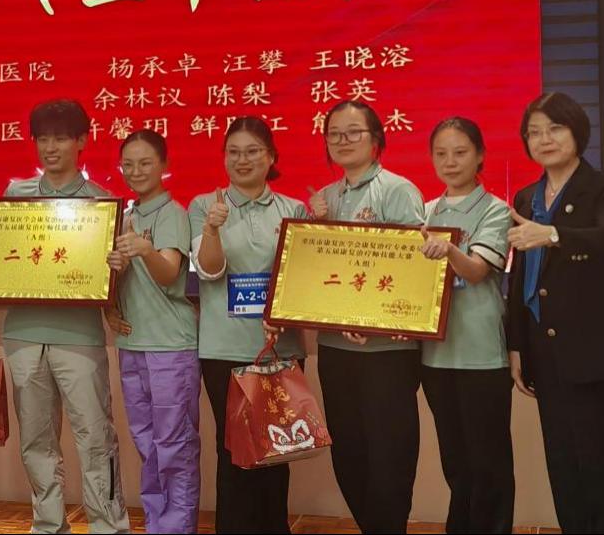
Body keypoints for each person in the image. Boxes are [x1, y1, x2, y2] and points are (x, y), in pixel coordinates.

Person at [0, 99, 130, 534]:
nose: (50, 148)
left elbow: (114, 280)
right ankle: (48, 525)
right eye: (43, 139)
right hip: (23, 335)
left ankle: (108, 526)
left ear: (81, 141)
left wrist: (118, 268)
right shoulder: (15, 198)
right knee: (36, 442)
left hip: (80, 336)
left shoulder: (102, 203)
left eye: (61, 138)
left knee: (96, 438)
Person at [506, 92, 604, 534]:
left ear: (577, 131)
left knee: (595, 462)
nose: (544, 139)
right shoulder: (526, 196)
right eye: (534, 132)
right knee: (561, 462)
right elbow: (520, 279)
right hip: (544, 349)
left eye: (554, 128)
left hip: (592, 350)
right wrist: (517, 346)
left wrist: (553, 234)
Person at [308, 100, 425, 533]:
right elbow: (315, 272)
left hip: (386, 353)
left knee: (390, 454)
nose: (343, 141)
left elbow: (412, 267)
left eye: (353, 132)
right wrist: (316, 226)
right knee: (349, 453)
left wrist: (368, 318)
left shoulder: (398, 190)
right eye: (334, 134)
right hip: (335, 348)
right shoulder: (324, 198)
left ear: (376, 138)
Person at [189, 116, 307, 534]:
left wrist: (280, 316)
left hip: (280, 349)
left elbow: (300, 277)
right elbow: (210, 270)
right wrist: (212, 228)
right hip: (224, 349)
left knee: (277, 449)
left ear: (270, 156)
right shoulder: (204, 206)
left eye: (253, 151)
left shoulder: (293, 209)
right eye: (234, 152)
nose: (243, 160)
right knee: (234, 452)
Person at [418, 117, 514, 533]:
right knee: (455, 460)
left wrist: (449, 250)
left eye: (460, 152)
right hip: (435, 355)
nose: (450, 161)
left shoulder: (496, 210)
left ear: (480, 156)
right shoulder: (424, 212)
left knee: (488, 461)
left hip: (481, 353)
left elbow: (476, 271)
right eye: (441, 153)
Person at [107, 129, 199, 533]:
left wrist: (145, 251)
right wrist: (110, 306)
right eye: (128, 164)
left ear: (164, 165)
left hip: (170, 346)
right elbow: (117, 282)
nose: (136, 171)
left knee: (174, 445)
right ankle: (157, 523)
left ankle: (177, 527)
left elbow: (169, 273)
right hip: (132, 343)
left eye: (145, 163)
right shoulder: (126, 216)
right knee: (146, 443)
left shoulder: (173, 213)